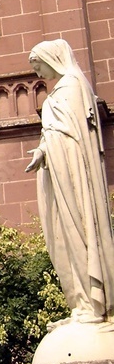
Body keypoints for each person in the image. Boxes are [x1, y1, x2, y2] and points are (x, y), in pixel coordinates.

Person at [26, 39, 114, 323]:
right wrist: (42, 150)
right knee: (64, 233)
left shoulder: (72, 86)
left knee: (79, 227)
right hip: (59, 166)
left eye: (39, 67)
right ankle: (80, 303)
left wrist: (47, 147)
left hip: (72, 169)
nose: (39, 74)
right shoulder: (62, 89)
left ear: (51, 59)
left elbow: (71, 134)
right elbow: (58, 131)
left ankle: (91, 303)